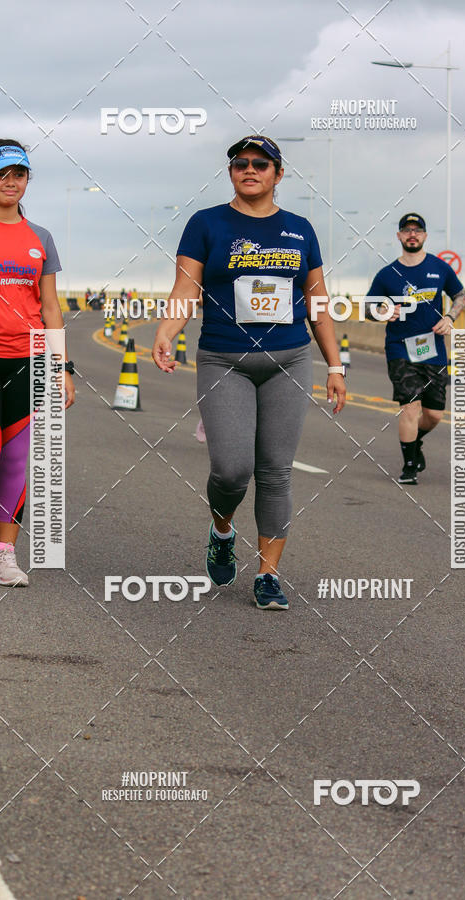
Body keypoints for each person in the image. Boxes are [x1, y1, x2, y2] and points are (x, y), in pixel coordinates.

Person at [153, 135, 346, 610]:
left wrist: (334, 365)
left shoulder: (300, 230)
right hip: (224, 360)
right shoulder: (206, 224)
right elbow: (186, 287)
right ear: (231, 172)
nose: (250, 169)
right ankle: (222, 531)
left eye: (261, 163)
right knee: (232, 470)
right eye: (241, 163)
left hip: (289, 359)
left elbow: (318, 303)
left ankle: (268, 575)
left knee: (275, 471)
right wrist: (167, 331)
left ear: (278, 174)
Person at [0, 139, 75, 586]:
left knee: (15, 458)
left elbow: (51, 307)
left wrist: (61, 367)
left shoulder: (40, 238)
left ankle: (4, 554)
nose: (11, 182)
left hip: (30, 359)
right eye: (1, 174)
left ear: (28, 179)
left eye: (19, 174)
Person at [366, 213, 465, 484]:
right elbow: (367, 307)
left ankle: (415, 441)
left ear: (424, 235)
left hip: (433, 349)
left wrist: (450, 318)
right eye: (407, 230)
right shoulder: (387, 274)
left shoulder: (439, 268)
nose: (412, 234)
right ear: (399, 236)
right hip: (400, 349)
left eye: (417, 230)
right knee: (410, 408)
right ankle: (409, 467)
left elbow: (460, 295)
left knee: (433, 415)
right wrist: (382, 312)